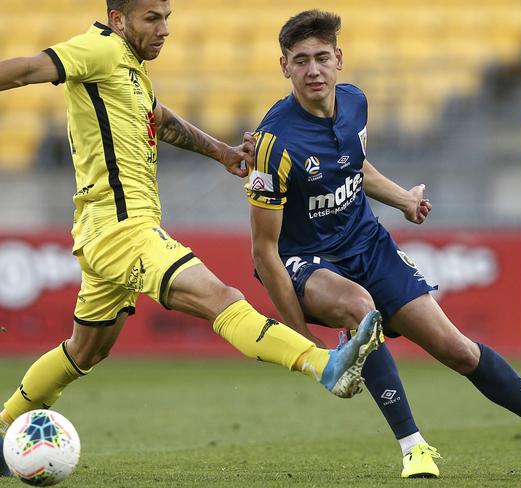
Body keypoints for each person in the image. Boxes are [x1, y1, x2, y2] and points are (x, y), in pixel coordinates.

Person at [0, 0, 384, 477]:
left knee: (87, 350)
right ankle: (323, 364)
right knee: (221, 298)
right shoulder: (96, 49)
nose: (164, 30)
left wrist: (222, 152)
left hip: (103, 230)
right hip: (125, 231)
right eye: (151, 19)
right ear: (118, 19)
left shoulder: (129, 68)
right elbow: (25, 71)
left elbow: (158, 119)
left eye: (167, 18)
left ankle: (3, 430)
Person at [245, 9, 521, 479]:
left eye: (321, 58)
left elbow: (354, 166)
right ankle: (413, 447)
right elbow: (264, 250)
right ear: (284, 67)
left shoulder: (356, 102)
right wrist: (307, 344)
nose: (312, 70)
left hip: (367, 244)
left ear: (339, 58)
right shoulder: (272, 143)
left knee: (456, 348)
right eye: (300, 61)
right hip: (304, 261)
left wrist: (402, 201)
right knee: (362, 309)